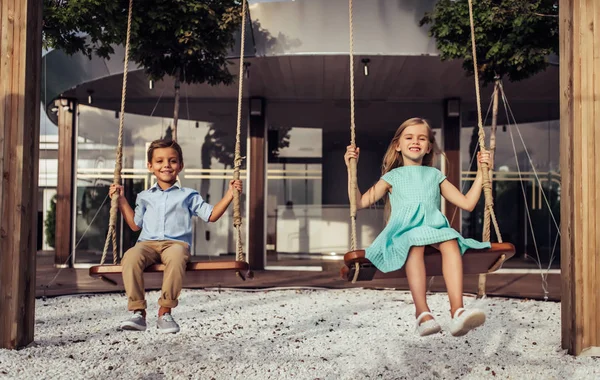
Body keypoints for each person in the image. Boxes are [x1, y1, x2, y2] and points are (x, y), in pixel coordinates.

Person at [344, 117, 492, 337]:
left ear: (429, 146)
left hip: (434, 229)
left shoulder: (434, 175)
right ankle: (423, 314)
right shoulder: (392, 177)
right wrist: (351, 170)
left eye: (422, 138)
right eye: (409, 137)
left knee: (450, 240)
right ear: (398, 145)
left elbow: (467, 203)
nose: (416, 141)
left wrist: (482, 173)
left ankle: (457, 311)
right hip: (405, 232)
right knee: (415, 244)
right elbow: (359, 203)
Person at [109, 139, 242, 334]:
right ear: (150, 166)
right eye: (160, 161)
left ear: (180, 166)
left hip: (176, 244)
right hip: (147, 244)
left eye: (172, 161)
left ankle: (165, 312)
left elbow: (211, 215)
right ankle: (138, 312)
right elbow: (135, 224)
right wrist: (120, 201)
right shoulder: (144, 196)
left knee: (177, 257)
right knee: (130, 257)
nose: (166, 166)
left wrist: (230, 194)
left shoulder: (188, 195)